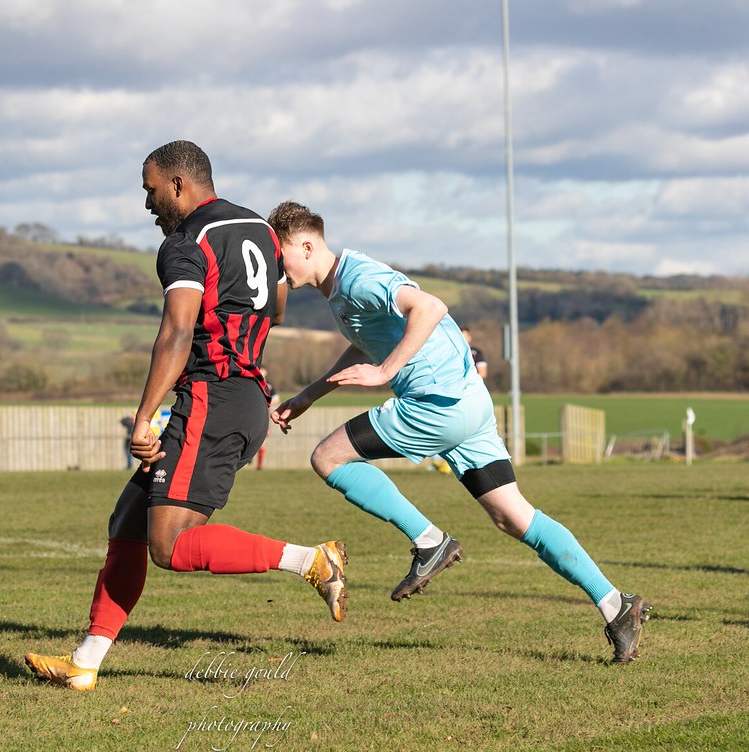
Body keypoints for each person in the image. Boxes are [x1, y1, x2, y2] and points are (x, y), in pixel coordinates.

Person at [266, 200, 650, 665]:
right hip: (467, 403)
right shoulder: (342, 289)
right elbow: (367, 344)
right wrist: (308, 396)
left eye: (278, 253)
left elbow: (430, 307)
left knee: (327, 458)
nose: (275, 266)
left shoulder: (358, 278)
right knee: (514, 517)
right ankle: (616, 606)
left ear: (305, 246)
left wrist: (387, 369)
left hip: (436, 403)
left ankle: (429, 540)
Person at [24, 140, 347, 691]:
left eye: (150, 189)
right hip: (243, 395)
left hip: (211, 400)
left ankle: (311, 561)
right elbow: (278, 306)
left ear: (177, 184)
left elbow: (177, 330)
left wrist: (144, 415)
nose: (147, 203)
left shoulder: (185, 242)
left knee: (169, 544)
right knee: (127, 519)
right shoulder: (261, 230)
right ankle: (85, 663)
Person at [256, 367, 279, 470]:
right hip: (253, 412)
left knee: (263, 440)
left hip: (265, 413)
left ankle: (259, 465)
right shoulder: (253, 382)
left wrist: (267, 402)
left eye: (263, 371)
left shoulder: (269, 386)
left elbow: (277, 399)